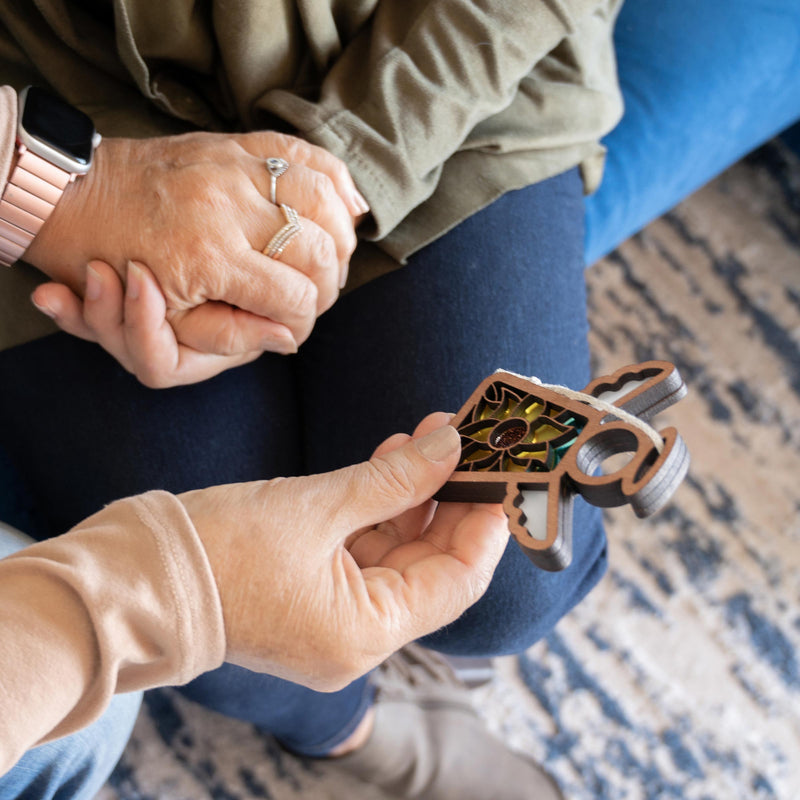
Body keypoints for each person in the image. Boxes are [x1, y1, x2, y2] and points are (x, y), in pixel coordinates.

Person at [0, 1, 623, 797]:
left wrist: (328, 186)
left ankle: (390, 668)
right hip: (48, 98)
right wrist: (53, 193)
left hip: (433, 63)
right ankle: (346, 732)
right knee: (208, 606)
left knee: (511, 582)